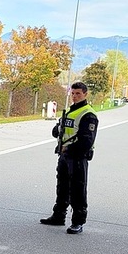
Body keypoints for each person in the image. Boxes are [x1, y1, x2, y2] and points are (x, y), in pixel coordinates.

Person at [40, 82, 99, 234]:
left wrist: (69, 148)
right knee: (62, 187)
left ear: (85, 94)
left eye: (78, 93)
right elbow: (56, 132)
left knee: (78, 189)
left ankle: (78, 222)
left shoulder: (88, 114)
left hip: (78, 157)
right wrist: (58, 129)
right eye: (73, 93)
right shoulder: (70, 111)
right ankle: (58, 216)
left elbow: (87, 141)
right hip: (64, 156)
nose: (74, 96)